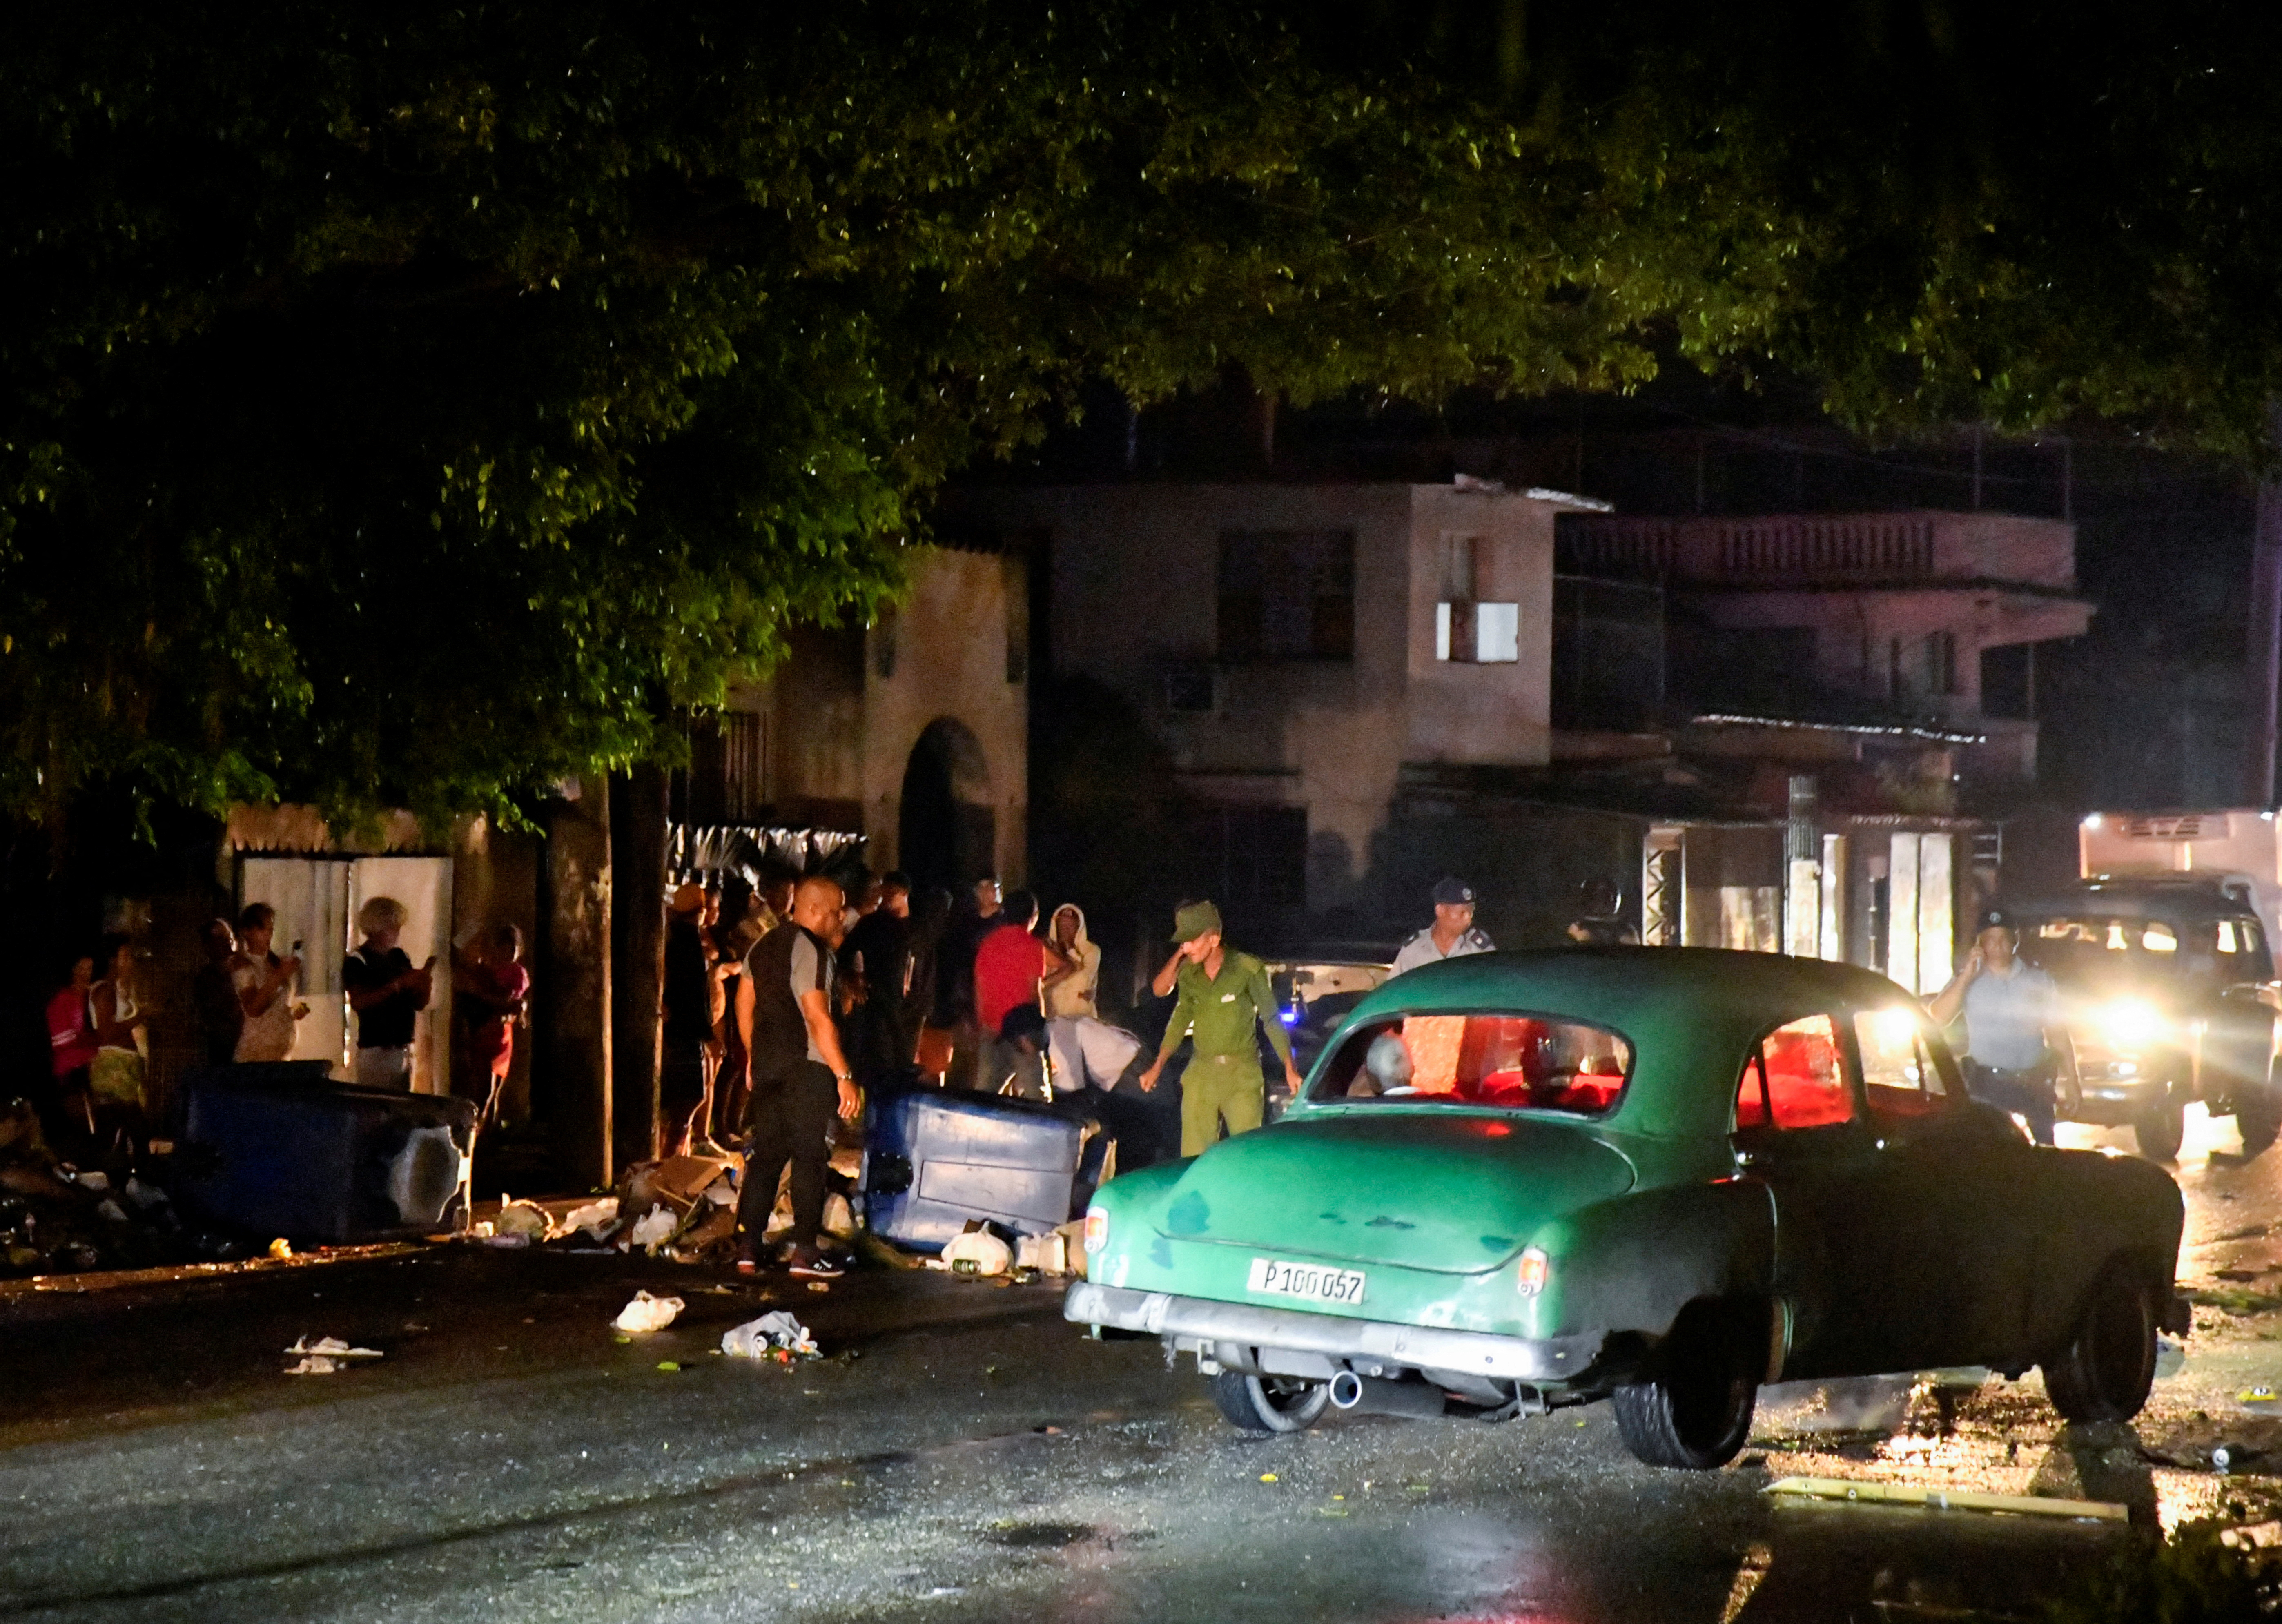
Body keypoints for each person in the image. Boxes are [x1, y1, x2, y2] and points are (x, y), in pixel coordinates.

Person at [734, 876, 862, 1279]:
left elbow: (743, 1004)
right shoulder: (813, 950)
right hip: (807, 1067)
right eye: (837, 911)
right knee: (810, 1156)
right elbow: (816, 1015)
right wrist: (843, 1074)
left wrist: (753, 1056)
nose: (840, 919)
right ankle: (805, 1253)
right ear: (815, 910)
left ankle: (748, 1248)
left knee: (767, 1157)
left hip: (769, 1067)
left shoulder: (762, 945)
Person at [1137, 901, 1304, 1156]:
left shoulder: (1247, 969)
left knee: (1246, 1154)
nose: (1187, 946)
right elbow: (1177, 1018)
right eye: (1184, 941)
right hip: (1202, 1073)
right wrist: (1158, 1066)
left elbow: (1271, 1019)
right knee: (1193, 1157)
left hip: (1241, 1073)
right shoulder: (1190, 974)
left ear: (1214, 939)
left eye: (1192, 940)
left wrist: (1289, 1067)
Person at [1927, 907, 2078, 1145]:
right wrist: (1966, 976)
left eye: (2003, 939)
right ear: (1981, 944)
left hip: (2034, 1084)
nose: (1998, 946)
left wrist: (2073, 1081)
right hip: (1989, 1087)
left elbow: (2058, 1033)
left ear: (2015, 941)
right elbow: (1938, 1017)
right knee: (1991, 1156)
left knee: (2045, 1157)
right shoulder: (1969, 981)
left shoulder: (2038, 980)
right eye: (1990, 940)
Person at [999, 1003, 1177, 1168]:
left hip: (1135, 1073)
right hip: (1126, 1072)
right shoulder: (1056, 1030)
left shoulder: (1060, 1037)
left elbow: (1072, 1090)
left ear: (1028, 1035)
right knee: (1141, 1141)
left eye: (1017, 1042)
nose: (1018, 1049)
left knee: (1149, 1142)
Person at [972, 890, 1072, 1094]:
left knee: (985, 1097)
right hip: (1023, 1030)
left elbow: (979, 987)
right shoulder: (1032, 946)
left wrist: (982, 1024)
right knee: (1038, 1095)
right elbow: (1034, 992)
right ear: (1033, 916)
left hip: (992, 1027)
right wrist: (1039, 1029)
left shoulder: (988, 943)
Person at [343, 896, 432, 1089]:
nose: (397, 933)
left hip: (404, 1048)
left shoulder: (399, 957)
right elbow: (359, 1002)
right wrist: (398, 985)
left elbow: (417, 1004)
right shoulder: (358, 960)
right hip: (377, 1051)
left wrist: (424, 984)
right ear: (376, 928)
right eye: (392, 927)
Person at [839, 871, 914, 1086]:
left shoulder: (911, 927)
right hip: (875, 1000)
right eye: (883, 891)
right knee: (874, 1056)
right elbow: (843, 955)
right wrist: (854, 981)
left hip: (898, 1001)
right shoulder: (871, 924)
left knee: (893, 1056)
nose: (885, 896)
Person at [452, 924, 529, 1131]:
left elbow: (507, 1000)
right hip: (482, 1031)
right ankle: (480, 1128)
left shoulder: (516, 973)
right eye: (501, 949)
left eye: (511, 950)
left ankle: (488, 1129)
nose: (505, 954)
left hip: (499, 1032)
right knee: (485, 1084)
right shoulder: (482, 970)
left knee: (495, 1087)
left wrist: (479, 993)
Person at [660, 884, 718, 1157]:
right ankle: (671, 1162)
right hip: (685, 1032)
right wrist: (708, 1034)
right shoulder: (690, 945)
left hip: (679, 1030)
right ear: (702, 911)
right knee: (687, 1100)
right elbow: (695, 996)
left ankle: (674, 1159)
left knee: (683, 1103)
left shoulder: (677, 941)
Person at [230, 904, 306, 1063]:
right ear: (247, 932)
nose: (268, 935)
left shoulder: (274, 963)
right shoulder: (243, 965)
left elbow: (279, 1004)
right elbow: (254, 1008)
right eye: (262, 929)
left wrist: (296, 1012)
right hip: (255, 1058)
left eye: (271, 930)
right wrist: (279, 975)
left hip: (280, 1057)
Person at [87, 934, 149, 1120]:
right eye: (126, 957)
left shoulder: (116, 989)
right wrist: (140, 1017)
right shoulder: (104, 990)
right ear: (112, 961)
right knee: (134, 1129)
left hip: (123, 1066)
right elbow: (106, 1033)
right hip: (114, 1068)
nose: (131, 962)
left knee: (125, 1132)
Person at [44, 948, 100, 1138]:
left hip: (90, 1067)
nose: (85, 973)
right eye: (81, 968)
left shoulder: (91, 997)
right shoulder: (62, 1000)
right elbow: (62, 1041)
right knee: (83, 1128)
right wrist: (96, 1039)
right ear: (72, 970)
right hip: (71, 1070)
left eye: (90, 968)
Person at [1390, 878, 1498, 975]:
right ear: (1441, 911)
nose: (1468, 920)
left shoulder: (1479, 949)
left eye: (1471, 913)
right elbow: (1393, 991)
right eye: (1462, 913)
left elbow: (1495, 986)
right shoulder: (1415, 949)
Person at [192, 918, 243, 1066]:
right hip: (225, 1053)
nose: (228, 943)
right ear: (208, 947)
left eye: (230, 937)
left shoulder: (247, 970)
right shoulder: (206, 980)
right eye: (220, 939)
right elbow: (217, 1019)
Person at [1043, 904, 1101, 1019]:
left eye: (1070, 926)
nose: (1066, 930)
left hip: (1081, 1018)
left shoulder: (1092, 951)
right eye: (1063, 926)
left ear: (1079, 927)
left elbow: (1084, 980)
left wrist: (1070, 951)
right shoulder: (1049, 950)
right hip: (1054, 1016)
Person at [1566, 878, 1639, 945]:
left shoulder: (1625, 930)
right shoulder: (1577, 929)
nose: (1601, 902)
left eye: (1606, 897)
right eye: (1596, 897)